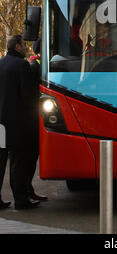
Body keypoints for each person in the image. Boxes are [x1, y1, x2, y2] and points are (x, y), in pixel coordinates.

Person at [0, 35, 41, 209]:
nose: (26, 47)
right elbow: (27, 96)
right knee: (18, 161)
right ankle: (21, 199)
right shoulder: (22, 65)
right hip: (18, 123)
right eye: (24, 44)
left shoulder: (1, 62)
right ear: (17, 46)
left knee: (0, 161)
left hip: (1, 123)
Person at [29, 38, 48, 203]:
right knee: (27, 159)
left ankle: (29, 192)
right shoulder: (35, 66)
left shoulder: (35, 64)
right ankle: (26, 194)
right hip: (32, 118)